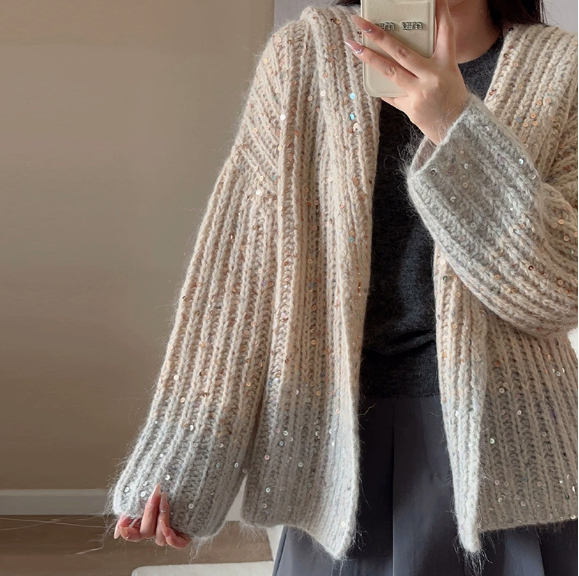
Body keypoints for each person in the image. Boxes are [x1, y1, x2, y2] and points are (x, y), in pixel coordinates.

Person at [109, 0, 578, 574]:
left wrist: (454, 123)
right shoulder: (306, 57)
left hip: (517, 460)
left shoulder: (564, 70)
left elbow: (561, 288)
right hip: (336, 458)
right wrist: (188, 451)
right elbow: (242, 269)